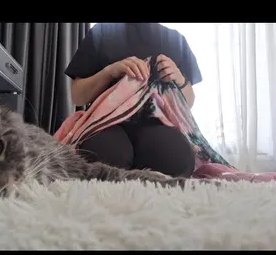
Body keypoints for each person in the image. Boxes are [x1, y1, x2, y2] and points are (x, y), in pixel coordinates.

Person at [64, 22, 202, 178]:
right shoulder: (101, 33)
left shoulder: (176, 39)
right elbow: (78, 96)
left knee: (178, 159)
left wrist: (179, 80)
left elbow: (188, 102)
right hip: (105, 123)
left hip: (157, 124)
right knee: (106, 156)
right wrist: (109, 72)